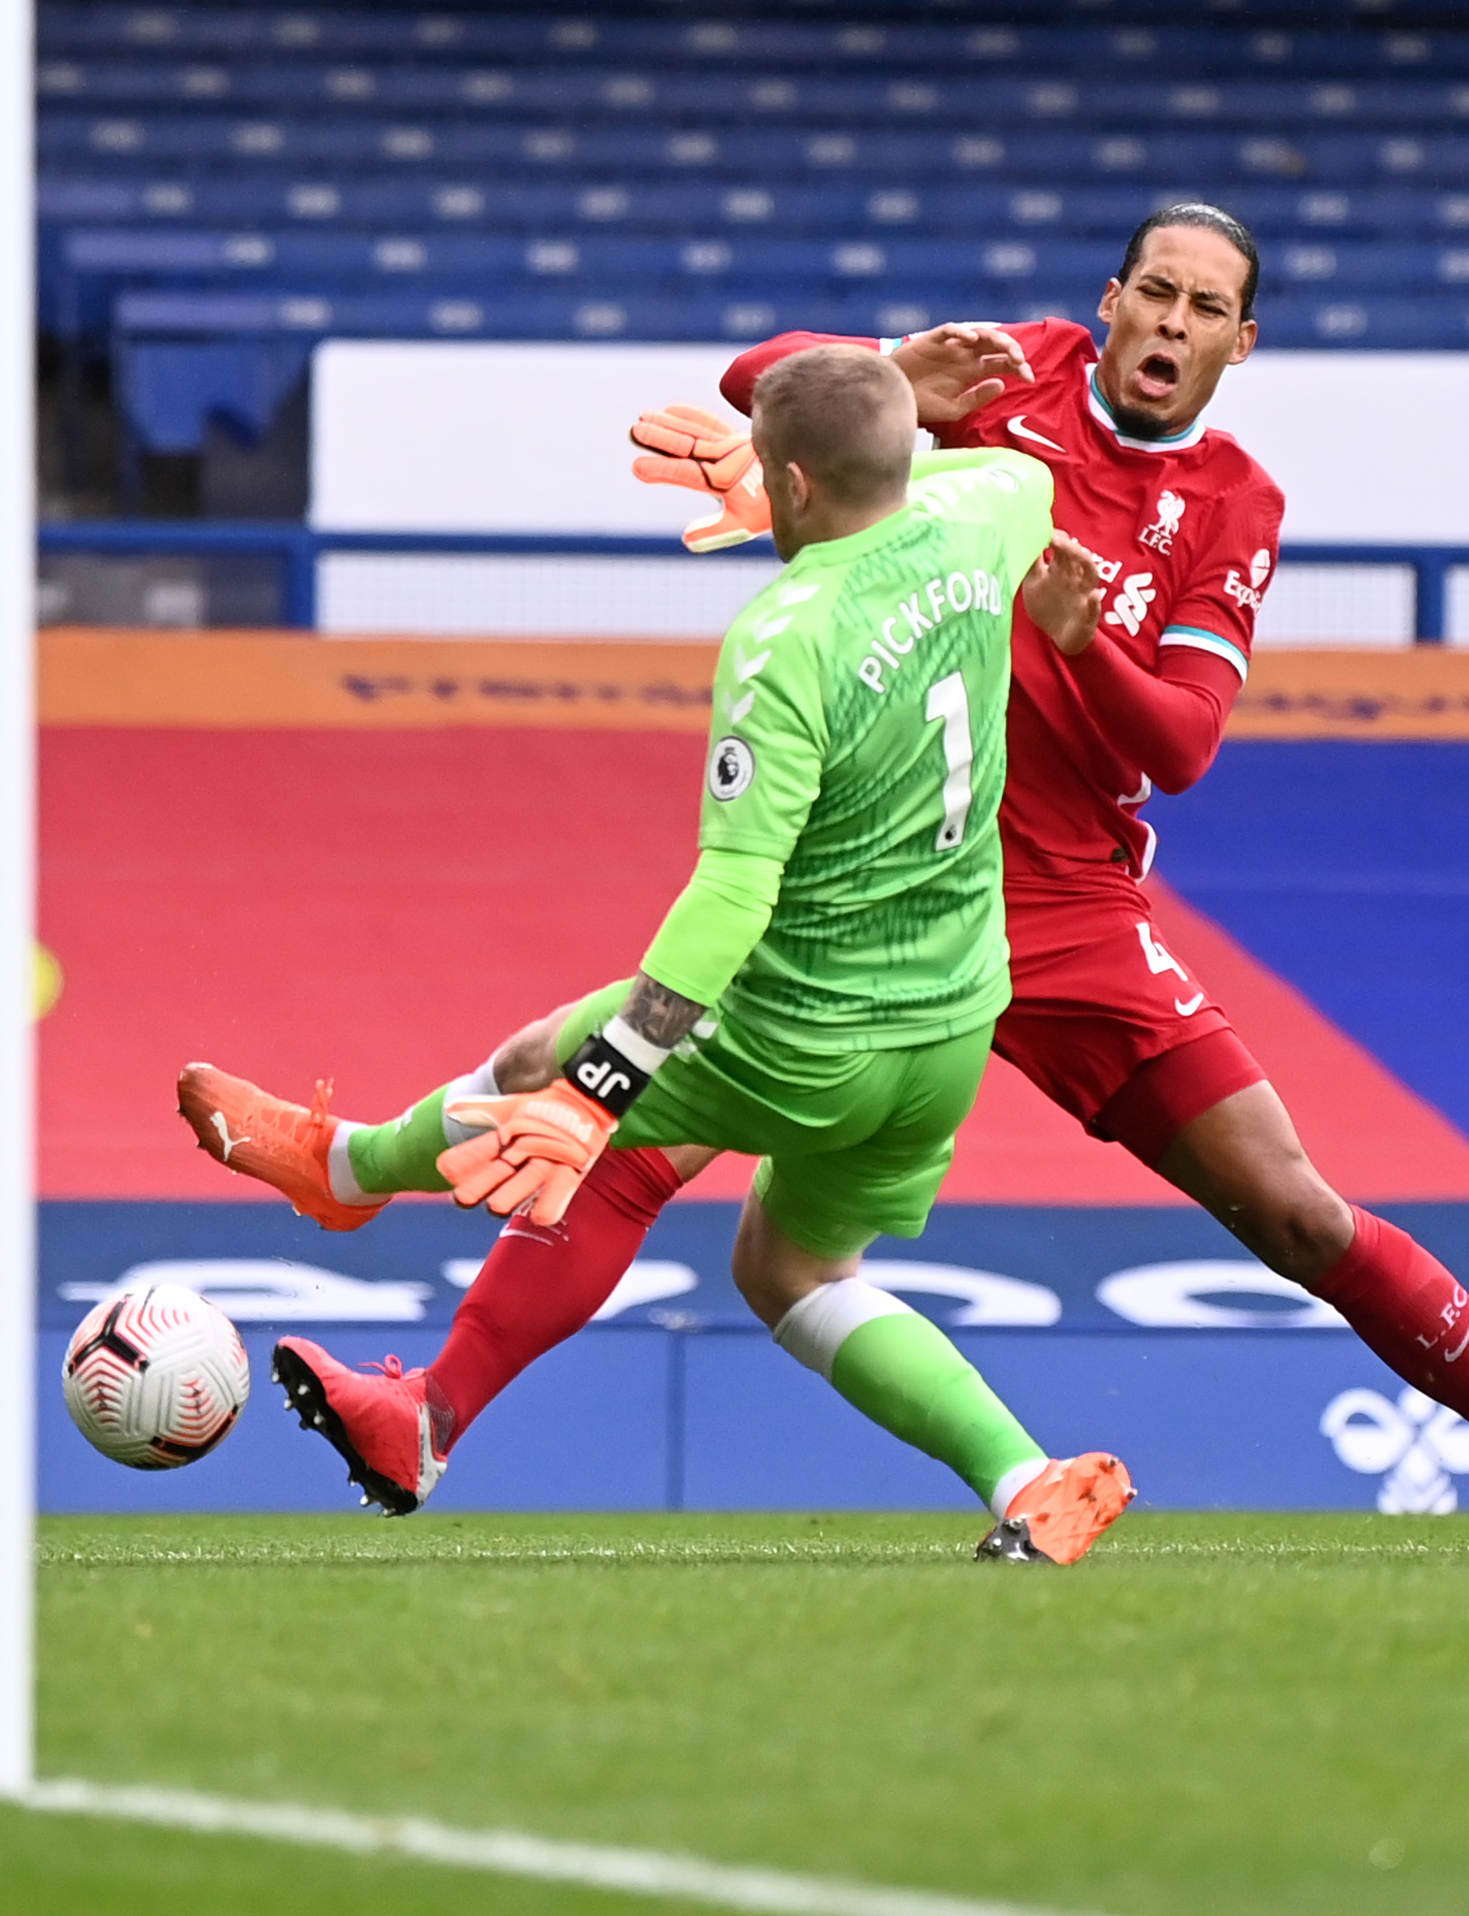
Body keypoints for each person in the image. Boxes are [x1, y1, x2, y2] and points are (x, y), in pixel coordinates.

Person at [189, 202, 1469, 1559]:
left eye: (1205, 307)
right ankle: (427, 1400)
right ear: (1107, 302)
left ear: (1242, 345)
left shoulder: (1230, 506)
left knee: (1291, 1206)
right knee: (637, 1149)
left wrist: (1088, 649)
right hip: (882, 876)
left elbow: (1187, 745)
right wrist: (893, 363)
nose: (1168, 320)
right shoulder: (1020, 389)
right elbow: (778, 392)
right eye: (1150, 289)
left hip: (1070, 903)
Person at [187, 346, 1138, 1563]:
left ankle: (348, 1169)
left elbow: (732, 895)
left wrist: (602, 1085)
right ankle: (1025, 1477)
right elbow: (987, 473)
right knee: (796, 1266)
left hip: (803, 1027)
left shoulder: (784, 636)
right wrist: (863, 423)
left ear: (786, 481)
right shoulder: (994, 509)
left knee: (543, 1065)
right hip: (951, 1024)